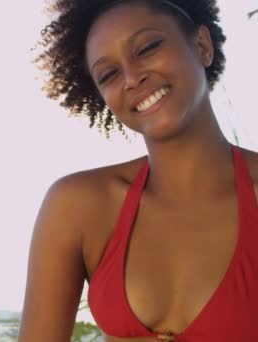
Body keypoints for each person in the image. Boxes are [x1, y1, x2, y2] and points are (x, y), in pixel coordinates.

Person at [19, 1, 258, 341]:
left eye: (147, 48)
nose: (132, 78)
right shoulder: (78, 206)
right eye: (109, 74)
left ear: (202, 46)